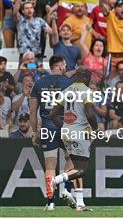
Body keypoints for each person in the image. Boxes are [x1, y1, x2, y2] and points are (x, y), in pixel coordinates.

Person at [29, 56, 74, 210]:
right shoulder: (69, 83)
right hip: (66, 127)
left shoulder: (39, 83)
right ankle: (67, 190)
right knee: (71, 159)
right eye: (65, 65)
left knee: (49, 166)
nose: (66, 67)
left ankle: (50, 202)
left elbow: (33, 111)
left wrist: (35, 132)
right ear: (60, 65)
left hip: (48, 129)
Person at [49, 67, 97, 212]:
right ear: (87, 78)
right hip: (80, 133)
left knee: (75, 167)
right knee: (80, 169)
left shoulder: (65, 91)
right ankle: (56, 180)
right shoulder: (87, 92)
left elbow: (53, 115)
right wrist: (95, 128)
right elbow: (89, 114)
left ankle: (80, 203)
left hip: (66, 133)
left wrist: (64, 127)